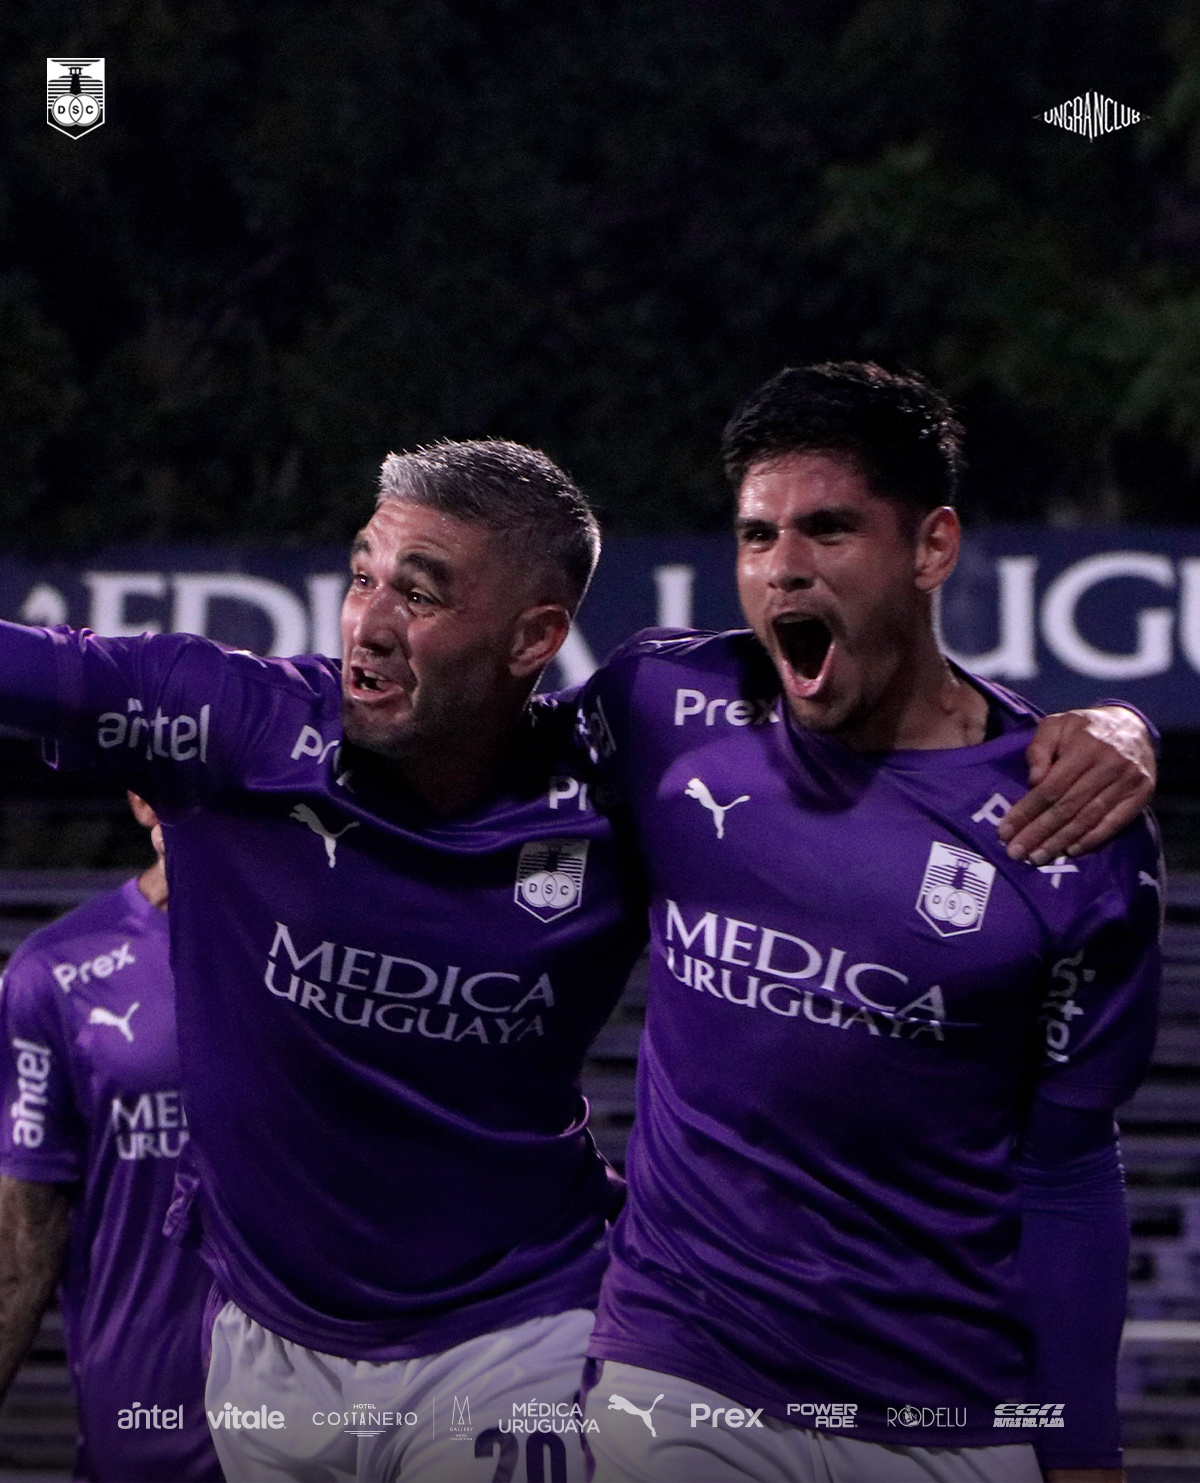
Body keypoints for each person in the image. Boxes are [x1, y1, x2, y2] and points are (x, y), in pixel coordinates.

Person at [0, 437, 1151, 1483]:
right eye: (362, 576)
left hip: (516, 1335)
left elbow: (886, 731)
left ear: (534, 638)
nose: (370, 622)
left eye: (420, 592)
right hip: (264, 1347)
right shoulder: (231, 727)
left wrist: (1109, 728)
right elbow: (38, 669)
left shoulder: (619, 774)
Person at [577, 364, 1161, 1483]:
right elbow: (453, 781)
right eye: (758, 535)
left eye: (830, 528)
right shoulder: (663, 707)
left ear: (931, 548)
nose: (784, 565)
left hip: (952, 1411)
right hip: (686, 1369)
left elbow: (1070, 1167)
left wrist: (1083, 1451)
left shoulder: (1071, 824)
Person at [0, 792, 223, 1482]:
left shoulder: (337, 950)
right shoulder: (53, 974)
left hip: (329, 1440)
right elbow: (21, 1246)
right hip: (142, 1441)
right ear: (142, 798)